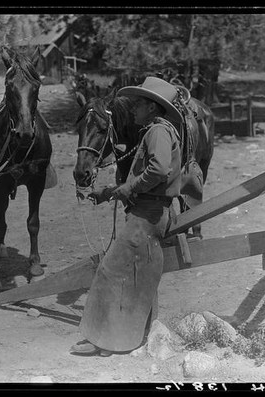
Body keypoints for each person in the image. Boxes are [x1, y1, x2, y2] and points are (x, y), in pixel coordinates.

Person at [70, 77, 183, 356]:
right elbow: (144, 179)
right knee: (128, 277)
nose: (132, 109)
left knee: (109, 271)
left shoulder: (158, 131)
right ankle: (116, 339)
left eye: (138, 104)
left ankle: (104, 340)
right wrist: (108, 193)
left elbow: (157, 171)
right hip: (147, 210)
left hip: (148, 215)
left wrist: (129, 188)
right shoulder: (156, 130)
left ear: (153, 108)